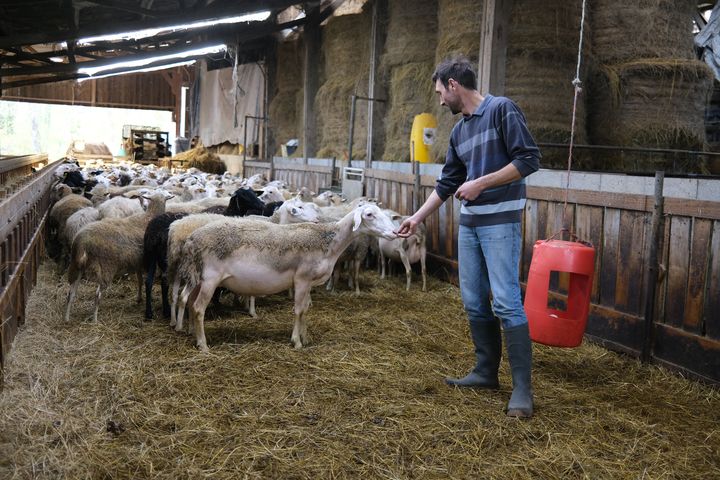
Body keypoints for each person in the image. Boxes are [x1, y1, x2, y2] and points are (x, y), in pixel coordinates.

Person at [396, 56, 540, 418]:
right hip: (471, 225)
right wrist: (415, 218)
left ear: (453, 84)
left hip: (500, 222)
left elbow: (528, 159)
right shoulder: (460, 131)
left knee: (506, 300)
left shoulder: (502, 110)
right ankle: (485, 372)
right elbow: (447, 184)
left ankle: (523, 389)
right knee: (474, 300)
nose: (440, 100)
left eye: (440, 92)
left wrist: (480, 183)